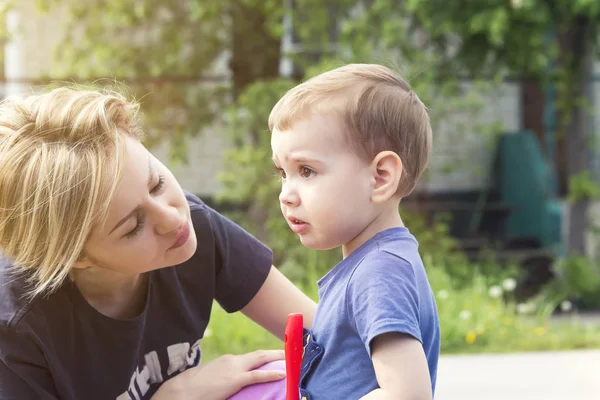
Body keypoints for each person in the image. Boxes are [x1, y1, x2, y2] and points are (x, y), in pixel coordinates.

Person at [0, 87, 316, 400]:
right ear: (77, 257)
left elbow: (327, 335)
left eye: (156, 184)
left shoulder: (195, 225)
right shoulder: (17, 326)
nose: (172, 219)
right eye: (133, 226)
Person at [269, 63, 440, 400]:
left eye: (306, 171)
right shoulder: (374, 263)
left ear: (380, 177)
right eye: (282, 173)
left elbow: (407, 394)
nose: (286, 194)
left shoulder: (380, 271)